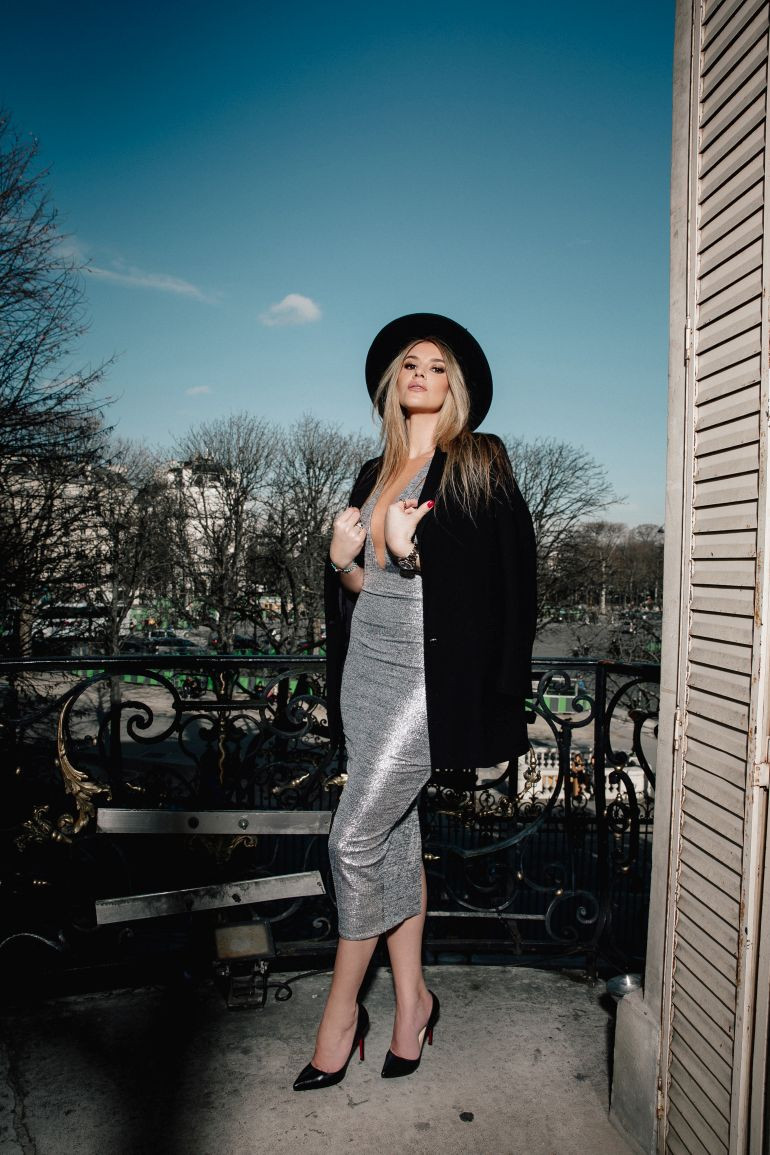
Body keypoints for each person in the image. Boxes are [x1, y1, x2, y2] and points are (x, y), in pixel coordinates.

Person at [293, 313, 537, 1091]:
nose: (421, 373)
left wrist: (413, 556)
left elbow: (503, 585)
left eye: (436, 365)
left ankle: (341, 1015)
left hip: (426, 686)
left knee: (351, 841)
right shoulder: (374, 472)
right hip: (365, 672)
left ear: (453, 384)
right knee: (394, 840)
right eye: (409, 363)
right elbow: (365, 590)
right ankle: (412, 1004)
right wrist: (344, 562)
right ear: (393, 382)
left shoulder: (478, 462)